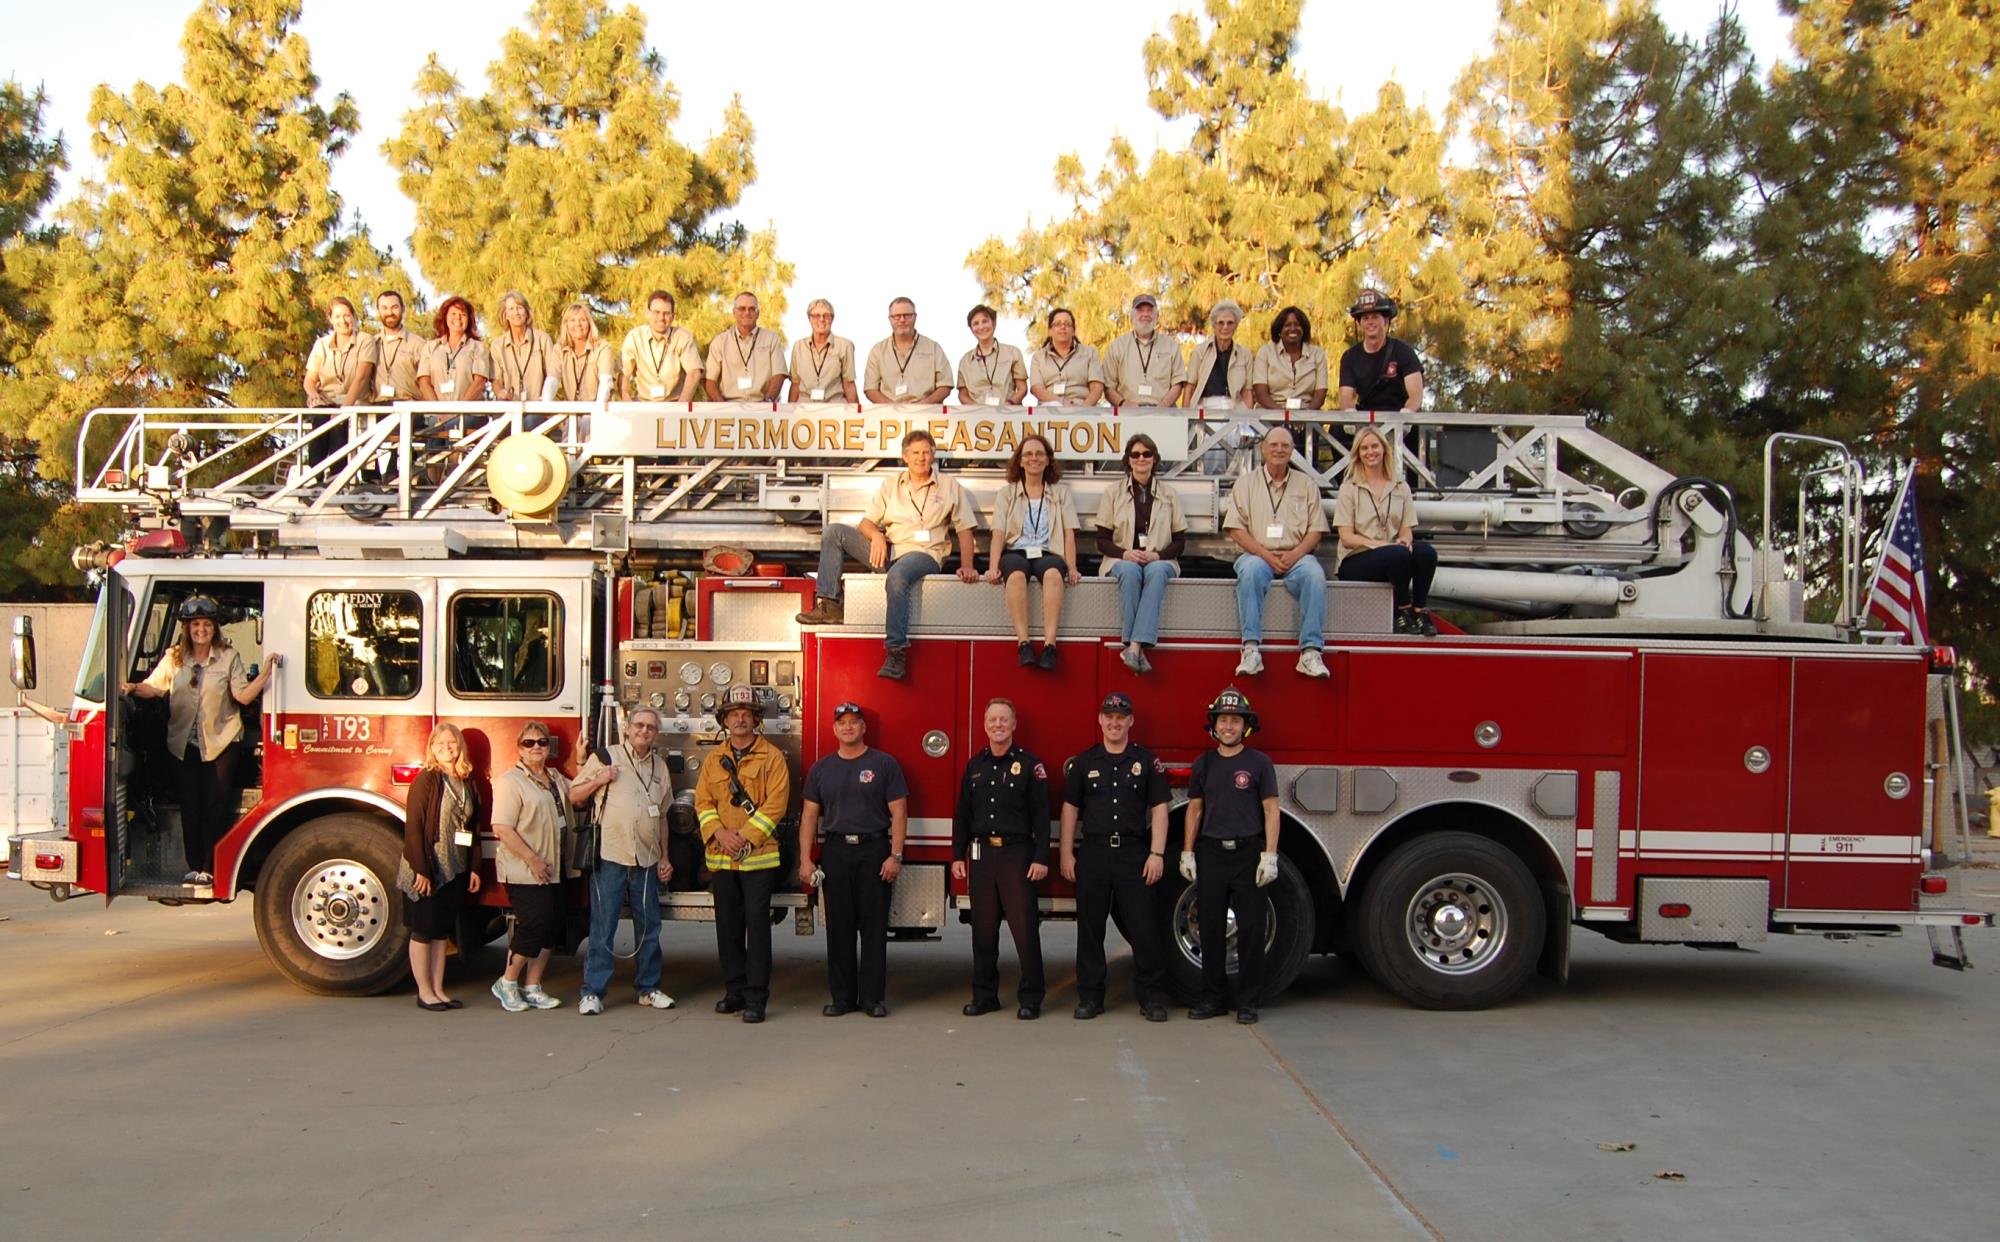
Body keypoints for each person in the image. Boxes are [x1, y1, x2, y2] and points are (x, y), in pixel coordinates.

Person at [120, 596, 281, 887]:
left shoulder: (228, 657)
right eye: (196, 624)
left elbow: (243, 696)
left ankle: (210, 867)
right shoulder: (174, 658)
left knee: (215, 807)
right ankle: (194, 867)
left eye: (207, 624)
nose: (201, 630)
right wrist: (130, 687)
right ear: (187, 628)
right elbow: (155, 688)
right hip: (183, 745)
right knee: (190, 807)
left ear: (214, 628)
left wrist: (268, 673)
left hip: (221, 743)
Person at [795, 429, 980, 680]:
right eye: (915, 453)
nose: (921, 458)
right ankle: (830, 604)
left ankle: (896, 652)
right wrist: (877, 535)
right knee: (833, 532)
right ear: (905, 456)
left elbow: (965, 529)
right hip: (891, 550)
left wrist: (967, 566)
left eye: (926, 452)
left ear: (934, 455)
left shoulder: (949, 486)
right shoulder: (891, 484)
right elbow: (866, 524)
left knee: (897, 577)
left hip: (924, 555)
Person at [1060, 691, 1172, 1022]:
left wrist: (1157, 853)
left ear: (1130, 722)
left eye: (1120, 717)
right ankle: (1090, 998)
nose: (1114, 722)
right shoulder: (1085, 762)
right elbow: (1070, 809)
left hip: (1133, 853)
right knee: (1090, 929)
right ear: (1100, 720)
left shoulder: (1146, 761)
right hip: (1093, 853)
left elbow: (1161, 808)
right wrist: (1067, 852)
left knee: (1143, 928)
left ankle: (1151, 998)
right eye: (1109, 716)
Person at [797, 702, 908, 1019]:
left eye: (854, 722)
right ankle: (842, 998)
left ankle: (873, 998)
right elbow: (809, 817)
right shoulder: (821, 769)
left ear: (864, 728)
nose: (848, 727)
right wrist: (806, 860)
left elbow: (899, 812)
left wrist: (895, 855)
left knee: (873, 929)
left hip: (874, 850)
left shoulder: (884, 764)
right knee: (839, 928)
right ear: (834, 729)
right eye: (842, 723)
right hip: (836, 852)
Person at [1179, 688, 1279, 1025]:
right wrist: (1188, 852)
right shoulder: (1204, 763)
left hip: (1248, 853)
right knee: (1210, 930)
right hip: (1211, 854)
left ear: (1245, 726)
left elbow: (1271, 810)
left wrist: (1270, 855)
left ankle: (1248, 1002)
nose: (1229, 726)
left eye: (1235, 720)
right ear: (1214, 725)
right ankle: (1213, 998)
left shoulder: (1259, 763)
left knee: (1251, 930)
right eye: (1223, 720)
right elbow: (1194, 810)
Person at [571, 707, 677, 1016]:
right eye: (639, 725)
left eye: (651, 728)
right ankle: (592, 991)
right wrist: (601, 779)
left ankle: (649, 988)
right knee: (603, 927)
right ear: (627, 728)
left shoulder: (660, 766)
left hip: (646, 858)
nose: (644, 731)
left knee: (650, 927)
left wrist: (664, 856)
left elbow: (663, 816)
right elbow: (575, 795)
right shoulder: (606, 757)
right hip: (611, 855)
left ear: (656, 733)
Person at [696, 684, 790, 1023]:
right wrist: (719, 832)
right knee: (728, 927)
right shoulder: (712, 760)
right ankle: (734, 991)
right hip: (721, 857)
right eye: (733, 714)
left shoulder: (772, 757)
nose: (739, 719)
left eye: (745, 714)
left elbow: (776, 804)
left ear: (755, 720)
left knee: (757, 928)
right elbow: (703, 802)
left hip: (759, 858)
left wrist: (745, 838)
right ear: (724, 720)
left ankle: (756, 998)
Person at [951, 697, 1050, 1020]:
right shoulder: (975, 766)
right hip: (981, 855)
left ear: (1014, 725)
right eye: (992, 720)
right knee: (983, 929)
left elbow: (1041, 816)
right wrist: (957, 855)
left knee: (1024, 929)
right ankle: (984, 996)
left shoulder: (1030, 765)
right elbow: (962, 814)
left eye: (1003, 720)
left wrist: (1040, 858)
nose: (997, 725)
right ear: (984, 725)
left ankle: (1031, 998)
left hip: (1016, 855)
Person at [1224, 425, 1331, 679]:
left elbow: (1316, 530)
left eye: (1285, 446)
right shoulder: (1246, 483)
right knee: (1249, 571)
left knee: (1315, 575)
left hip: (1297, 556)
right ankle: (1250, 649)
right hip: (1258, 554)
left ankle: (1310, 651)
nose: (1279, 450)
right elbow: (1235, 529)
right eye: (1274, 445)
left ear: (1293, 450)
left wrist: (1296, 554)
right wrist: (1263, 553)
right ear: (1263, 448)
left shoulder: (1306, 484)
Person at [401, 722, 483, 1011]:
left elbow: (472, 827)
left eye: (452, 743)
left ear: (460, 746)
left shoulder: (466, 780)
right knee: (423, 930)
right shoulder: (427, 780)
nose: (447, 748)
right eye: (441, 744)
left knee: (441, 932)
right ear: (432, 749)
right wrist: (421, 870)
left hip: (456, 868)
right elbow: (414, 828)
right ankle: (424, 992)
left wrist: (474, 867)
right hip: (428, 867)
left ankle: (438, 989)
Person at [489, 720, 571, 1012]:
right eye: (529, 743)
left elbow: (575, 796)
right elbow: (503, 828)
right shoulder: (511, 782)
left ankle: (533, 986)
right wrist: (533, 860)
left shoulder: (555, 778)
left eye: (542, 742)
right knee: (533, 925)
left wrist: (589, 765)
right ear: (519, 748)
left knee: (550, 928)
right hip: (526, 870)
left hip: (556, 866)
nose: (536, 747)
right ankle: (507, 982)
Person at [984, 433, 1081, 669]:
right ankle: (1024, 644)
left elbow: (1069, 532)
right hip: (1016, 551)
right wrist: (993, 566)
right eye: (1028, 454)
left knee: (1053, 576)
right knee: (1015, 576)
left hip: (1048, 552)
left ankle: (1050, 646)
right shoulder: (1006, 493)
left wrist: (1072, 567)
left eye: (1039, 454)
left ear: (1048, 460)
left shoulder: (1061, 493)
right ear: (1019, 460)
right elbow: (998, 532)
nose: (1033, 458)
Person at [1094, 432, 1187, 674]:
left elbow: (1180, 542)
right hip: (1122, 558)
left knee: (1156, 572)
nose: (1141, 458)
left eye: (1147, 454)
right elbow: (1102, 541)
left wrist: (1159, 556)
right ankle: (1137, 647)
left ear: (1154, 459)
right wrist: (1124, 553)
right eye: (1135, 454)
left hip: (1160, 559)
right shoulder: (1112, 493)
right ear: (1128, 460)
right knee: (1131, 571)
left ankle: (1133, 645)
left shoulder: (1169, 494)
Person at [1335, 425, 1438, 635]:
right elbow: (1346, 537)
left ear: (1384, 449)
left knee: (1426, 552)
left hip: (1393, 555)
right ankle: (1402, 610)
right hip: (1357, 559)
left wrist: (1405, 540)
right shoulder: (1349, 488)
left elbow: (1406, 529)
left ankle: (1419, 610)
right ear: (1358, 454)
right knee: (1397, 554)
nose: (1370, 452)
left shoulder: (1401, 487)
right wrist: (1386, 546)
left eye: (1374, 446)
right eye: (1364, 448)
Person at [301, 296, 367, 466]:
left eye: (346, 315)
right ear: (330, 319)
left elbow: (361, 377)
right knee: (320, 418)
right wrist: (313, 393)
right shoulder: (321, 344)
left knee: (340, 424)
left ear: (353, 316)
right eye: (337, 316)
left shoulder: (364, 341)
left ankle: (337, 477)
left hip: (353, 402)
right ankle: (316, 474)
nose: (343, 321)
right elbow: (310, 379)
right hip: (327, 402)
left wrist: (344, 409)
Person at [1334, 289, 1424, 412]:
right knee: (1336, 429)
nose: (1370, 322)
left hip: (1399, 416)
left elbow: (1416, 394)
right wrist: (1350, 415)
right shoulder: (1350, 357)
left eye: (1375, 317)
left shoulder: (1403, 351)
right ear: (1360, 324)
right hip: (1364, 420)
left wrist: (1407, 414)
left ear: (1385, 321)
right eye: (1365, 318)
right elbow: (1345, 396)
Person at [1101, 293, 1187, 408]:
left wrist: (1162, 407)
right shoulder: (1117, 347)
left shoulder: (1171, 346)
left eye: (1150, 310)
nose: (1145, 314)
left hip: (1164, 414)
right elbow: (1108, 387)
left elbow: (1178, 383)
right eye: (1140, 310)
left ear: (1157, 316)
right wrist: (1124, 403)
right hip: (1127, 415)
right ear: (1131, 316)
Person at [863, 297, 954, 403]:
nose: (902, 320)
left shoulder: (933, 348)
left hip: (927, 413)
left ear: (915, 317)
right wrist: (894, 408)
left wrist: (924, 404)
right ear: (890, 319)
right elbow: (870, 389)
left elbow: (945, 385)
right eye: (897, 316)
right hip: (890, 416)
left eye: (907, 315)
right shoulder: (877, 351)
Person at [620, 289, 703, 402]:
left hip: (675, 406)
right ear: (648, 313)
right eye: (656, 312)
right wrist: (626, 398)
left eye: (666, 313)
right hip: (644, 406)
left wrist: (680, 408)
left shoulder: (682, 337)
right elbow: (624, 372)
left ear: (673, 317)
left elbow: (694, 372)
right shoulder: (635, 337)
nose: (661, 318)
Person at [704, 291, 787, 401]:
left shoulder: (772, 339)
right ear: (734, 312)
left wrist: (767, 403)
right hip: (729, 407)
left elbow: (779, 375)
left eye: (752, 309)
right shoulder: (720, 342)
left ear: (758, 313)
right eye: (742, 308)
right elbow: (709, 380)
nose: (747, 313)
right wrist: (722, 407)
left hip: (762, 408)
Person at [348, 288, 422, 403]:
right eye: (384, 308)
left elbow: (427, 381)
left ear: (403, 309)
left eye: (394, 307)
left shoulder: (418, 344)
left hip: (408, 410)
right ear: (378, 311)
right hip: (377, 409)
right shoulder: (370, 344)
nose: (389, 313)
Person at [416, 295, 493, 402]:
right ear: (445, 317)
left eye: (463, 314)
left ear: (469, 320)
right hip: (436, 414)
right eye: (453, 314)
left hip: (468, 415)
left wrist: (458, 411)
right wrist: (439, 412)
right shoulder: (430, 347)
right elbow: (424, 383)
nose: (458, 318)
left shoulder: (478, 348)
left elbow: (479, 383)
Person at [1252, 305, 1328, 411]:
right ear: (1279, 329)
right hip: (1271, 415)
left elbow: (1320, 394)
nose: (1293, 329)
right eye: (1287, 325)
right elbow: (1260, 393)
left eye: (1297, 325)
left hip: (1307, 415)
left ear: (1304, 329)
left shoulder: (1318, 354)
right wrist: (1284, 416)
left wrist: (1305, 416)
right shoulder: (1265, 352)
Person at [1027, 308, 1105, 407]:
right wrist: (1062, 403)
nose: (1063, 327)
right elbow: (1037, 389)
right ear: (1050, 331)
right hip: (1050, 408)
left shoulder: (1090, 353)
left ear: (1073, 331)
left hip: (1083, 407)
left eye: (1067, 324)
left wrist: (1083, 409)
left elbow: (1097, 388)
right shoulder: (1039, 357)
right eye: (1058, 324)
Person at [491, 290, 559, 403]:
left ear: (527, 312)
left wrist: (546, 397)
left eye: (520, 308)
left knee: (530, 421)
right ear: (505, 315)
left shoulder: (543, 340)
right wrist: (500, 392)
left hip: (538, 409)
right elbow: (496, 381)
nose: (516, 313)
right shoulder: (497, 346)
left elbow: (552, 375)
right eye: (511, 309)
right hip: (510, 409)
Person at [787, 298, 859, 403]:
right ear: (809, 319)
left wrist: (856, 415)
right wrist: (789, 414)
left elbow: (849, 384)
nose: (821, 319)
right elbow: (795, 384)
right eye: (816, 316)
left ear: (832, 319)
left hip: (835, 410)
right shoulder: (798, 347)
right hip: (804, 411)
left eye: (826, 316)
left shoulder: (845, 346)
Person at [955, 303, 1027, 407]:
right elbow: (962, 394)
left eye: (985, 321)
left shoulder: (1013, 353)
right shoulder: (965, 361)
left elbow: (1022, 388)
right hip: (976, 417)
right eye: (975, 323)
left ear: (993, 323)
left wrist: (1009, 403)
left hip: (1009, 415)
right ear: (971, 329)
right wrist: (977, 409)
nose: (981, 327)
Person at [1185, 300, 1250, 408]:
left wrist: (1248, 419)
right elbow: (1189, 387)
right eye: (1221, 323)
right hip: (1205, 408)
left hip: (1235, 409)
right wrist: (1185, 417)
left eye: (1230, 323)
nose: (1225, 327)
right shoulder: (1199, 351)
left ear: (1236, 326)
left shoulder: (1245, 354)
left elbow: (1247, 392)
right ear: (1214, 325)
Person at [554, 303, 616, 404]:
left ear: (589, 323)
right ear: (566, 325)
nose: (577, 324)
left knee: (586, 420)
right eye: (572, 320)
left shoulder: (603, 347)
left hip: (597, 410)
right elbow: (552, 378)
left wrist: (597, 410)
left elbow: (606, 381)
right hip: (571, 411)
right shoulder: (558, 349)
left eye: (582, 320)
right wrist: (546, 401)